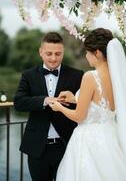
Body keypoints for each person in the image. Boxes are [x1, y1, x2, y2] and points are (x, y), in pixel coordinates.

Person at [50, 28, 126, 181]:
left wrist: (59, 107)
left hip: (89, 141)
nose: (86, 56)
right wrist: (75, 99)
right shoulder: (117, 78)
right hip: (111, 137)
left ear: (97, 53)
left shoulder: (90, 76)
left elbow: (79, 116)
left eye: (88, 52)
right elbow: (102, 104)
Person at [14, 32, 84, 181]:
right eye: (49, 53)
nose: (53, 58)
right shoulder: (28, 75)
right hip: (37, 147)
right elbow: (19, 102)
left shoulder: (77, 75)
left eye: (58, 54)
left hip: (66, 146)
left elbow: (84, 105)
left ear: (63, 52)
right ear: (41, 52)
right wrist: (44, 100)